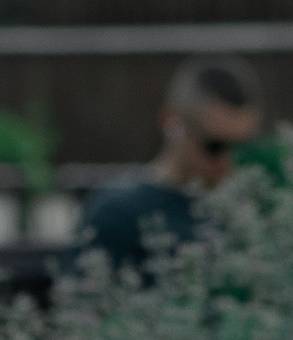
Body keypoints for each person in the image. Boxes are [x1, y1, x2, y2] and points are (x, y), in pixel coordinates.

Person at [80, 55, 263, 274]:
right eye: (215, 146)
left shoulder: (250, 209)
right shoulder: (118, 212)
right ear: (172, 122)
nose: (229, 161)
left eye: (244, 148)